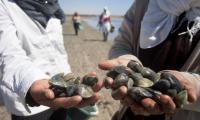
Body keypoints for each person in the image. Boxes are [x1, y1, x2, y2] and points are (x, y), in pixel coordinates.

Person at [0, 0, 102, 120]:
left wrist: (72, 83)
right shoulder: (4, 5)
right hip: (28, 102)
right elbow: (8, 54)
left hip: (64, 96)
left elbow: (59, 51)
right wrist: (31, 80)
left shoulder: (54, 9)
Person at [99, 0, 200, 120]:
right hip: (130, 112)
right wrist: (126, 60)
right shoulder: (143, 3)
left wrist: (194, 85)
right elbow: (121, 45)